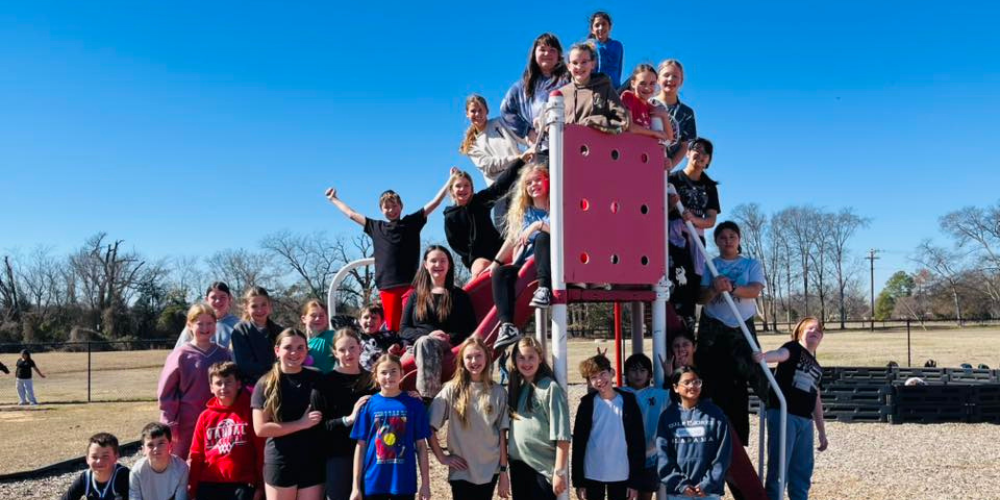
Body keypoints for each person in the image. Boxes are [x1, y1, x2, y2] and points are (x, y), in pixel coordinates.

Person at [325, 180, 450, 333]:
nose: (391, 210)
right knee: (393, 327)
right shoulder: (376, 227)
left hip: (410, 284)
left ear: (401, 206)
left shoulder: (411, 223)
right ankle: (395, 353)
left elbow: (435, 202)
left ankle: (412, 350)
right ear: (381, 209)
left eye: (394, 206)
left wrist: (450, 180)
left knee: (412, 321)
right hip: (387, 286)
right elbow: (351, 214)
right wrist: (334, 199)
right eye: (387, 207)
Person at [696, 221, 766, 447]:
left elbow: (755, 290)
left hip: (741, 323)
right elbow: (701, 298)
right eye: (723, 237)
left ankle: (771, 408)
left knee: (747, 370)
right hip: (714, 325)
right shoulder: (710, 264)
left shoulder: (751, 264)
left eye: (732, 236)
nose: (728, 240)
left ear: (739, 240)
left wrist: (732, 288)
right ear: (716, 241)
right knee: (711, 374)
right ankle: (706, 427)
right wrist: (715, 288)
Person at [753, 317, 828, 500]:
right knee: (780, 467)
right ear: (799, 332)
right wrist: (764, 357)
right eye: (810, 328)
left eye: (818, 331)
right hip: (784, 414)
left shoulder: (817, 367)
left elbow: (816, 398)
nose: (814, 332)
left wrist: (821, 431)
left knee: (802, 468)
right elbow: (780, 354)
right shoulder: (794, 349)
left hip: (805, 420)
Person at [428, 337, 510, 500]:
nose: (474, 361)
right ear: (461, 361)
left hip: (490, 469)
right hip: (462, 470)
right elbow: (429, 426)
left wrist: (503, 472)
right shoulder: (452, 390)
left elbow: (502, 436)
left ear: (487, 357)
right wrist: (442, 457)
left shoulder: (499, 392)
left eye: (478, 355)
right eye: (469, 357)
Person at [251, 329, 325, 500]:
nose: (294, 353)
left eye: (300, 348)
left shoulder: (317, 377)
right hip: (281, 462)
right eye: (288, 347)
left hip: (312, 460)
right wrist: (301, 423)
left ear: (307, 350)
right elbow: (261, 429)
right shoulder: (266, 383)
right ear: (277, 350)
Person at [488, 163, 553, 350]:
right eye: (529, 183)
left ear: (547, 181)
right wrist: (496, 262)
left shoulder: (555, 206)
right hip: (526, 264)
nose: (533, 185)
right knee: (501, 273)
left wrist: (537, 226)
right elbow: (511, 239)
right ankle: (507, 326)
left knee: (542, 237)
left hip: (548, 264)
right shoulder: (525, 211)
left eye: (538, 180)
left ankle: (544, 289)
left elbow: (560, 234)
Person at [349, 354, 432, 500]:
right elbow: (360, 446)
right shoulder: (368, 405)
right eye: (384, 372)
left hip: (403, 482)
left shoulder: (414, 404)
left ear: (402, 373)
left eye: (393, 371)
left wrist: (425, 483)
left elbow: (421, 446)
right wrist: (355, 487)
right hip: (374, 482)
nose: (389, 376)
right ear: (376, 376)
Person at [399, 245, 477, 398]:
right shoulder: (415, 295)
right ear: (426, 265)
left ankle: (428, 398)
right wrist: (429, 335)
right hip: (415, 346)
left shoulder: (459, 295)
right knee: (393, 369)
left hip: (447, 346)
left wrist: (448, 337)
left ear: (449, 264)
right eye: (433, 261)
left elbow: (470, 328)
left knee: (425, 343)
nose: (438, 265)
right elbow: (404, 329)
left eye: (443, 261)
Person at [157, 303, 233, 460]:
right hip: (186, 423)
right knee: (182, 466)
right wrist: (169, 423)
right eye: (200, 324)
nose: (205, 328)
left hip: (217, 421)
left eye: (210, 323)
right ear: (190, 325)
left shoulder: (223, 354)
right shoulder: (180, 355)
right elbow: (166, 392)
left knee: (215, 463)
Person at [310, 328, 376, 500]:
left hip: (372, 456)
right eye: (342, 350)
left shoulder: (374, 381)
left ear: (360, 348)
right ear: (334, 352)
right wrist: (349, 419)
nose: (348, 353)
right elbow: (318, 428)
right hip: (339, 456)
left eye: (352, 348)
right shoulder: (324, 384)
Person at [571, 354, 645, 500]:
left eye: (602, 374)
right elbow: (579, 444)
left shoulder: (628, 402)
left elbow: (638, 443)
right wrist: (579, 482)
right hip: (592, 473)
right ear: (589, 382)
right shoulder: (586, 405)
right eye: (593, 377)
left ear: (612, 373)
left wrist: (635, 482)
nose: (599, 380)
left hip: (621, 473)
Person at [187, 361, 264, 500]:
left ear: (238, 384)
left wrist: (260, 486)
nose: (223, 387)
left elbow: (260, 451)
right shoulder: (205, 416)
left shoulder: (250, 413)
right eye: (218, 383)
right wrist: (192, 489)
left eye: (228, 382)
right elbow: (196, 455)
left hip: (242, 483)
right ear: (211, 387)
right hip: (208, 482)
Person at [506, 336, 570, 500]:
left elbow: (562, 436)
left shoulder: (550, 388)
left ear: (540, 358)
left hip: (542, 469)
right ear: (514, 360)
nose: (526, 362)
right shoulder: (517, 389)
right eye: (521, 357)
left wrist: (559, 472)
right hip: (519, 466)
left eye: (531, 357)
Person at [656, 366, 732, 500]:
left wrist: (707, 484)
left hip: (708, 492)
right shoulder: (667, 417)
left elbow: (723, 455)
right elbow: (663, 457)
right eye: (687, 382)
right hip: (678, 493)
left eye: (696, 382)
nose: (692, 386)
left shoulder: (716, 414)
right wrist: (681, 485)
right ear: (675, 387)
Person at [459, 94, 533, 228]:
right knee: (505, 232)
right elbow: (489, 166)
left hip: (521, 180)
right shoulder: (470, 145)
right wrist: (518, 158)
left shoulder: (501, 123)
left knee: (529, 225)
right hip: (500, 192)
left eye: (480, 110)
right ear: (467, 114)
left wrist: (532, 143)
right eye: (473, 111)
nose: (477, 114)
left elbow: (524, 137)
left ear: (487, 110)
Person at [443, 160, 527, 278]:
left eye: (466, 185)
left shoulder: (480, 201)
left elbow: (499, 186)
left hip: (497, 247)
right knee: (481, 269)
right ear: (451, 190)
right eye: (458, 186)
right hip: (477, 256)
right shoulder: (450, 217)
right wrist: (472, 253)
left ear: (472, 189)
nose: (463, 189)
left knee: (518, 254)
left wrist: (521, 161)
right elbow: (456, 244)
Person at [668, 137, 719, 325]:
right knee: (677, 282)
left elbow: (711, 220)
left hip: (696, 242)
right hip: (674, 241)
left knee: (693, 284)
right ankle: (673, 322)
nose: (701, 154)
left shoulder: (709, 187)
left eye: (706, 153)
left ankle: (689, 326)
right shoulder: (671, 180)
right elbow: (657, 212)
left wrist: (694, 219)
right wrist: (670, 206)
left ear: (709, 161)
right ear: (687, 153)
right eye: (696, 149)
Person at [500, 33, 571, 145]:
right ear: (534, 54)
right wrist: (527, 131)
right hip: (541, 147)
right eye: (542, 49)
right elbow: (506, 109)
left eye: (552, 50)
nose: (547, 53)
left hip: (569, 142)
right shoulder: (522, 86)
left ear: (559, 55)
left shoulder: (569, 79)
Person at [622, 353, 672, 500]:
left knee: (645, 495)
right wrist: (602, 368)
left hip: (650, 456)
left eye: (642, 370)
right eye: (633, 370)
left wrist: (669, 375)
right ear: (626, 374)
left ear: (649, 374)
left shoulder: (658, 394)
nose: (638, 374)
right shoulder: (620, 393)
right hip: (625, 456)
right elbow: (595, 397)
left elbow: (675, 394)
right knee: (625, 494)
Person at [559, 42, 629, 134]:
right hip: (567, 146)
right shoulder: (561, 94)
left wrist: (595, 122)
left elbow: (623, 121)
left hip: (596, 146)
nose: (579, 66)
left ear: (592, 64)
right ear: (569, 67)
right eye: (575, 63)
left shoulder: (604, 88)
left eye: (584, 62)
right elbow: (548, 124)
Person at [230, 287, 284, 387]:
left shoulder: (280, 331)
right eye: (254, 306)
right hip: (252, 388)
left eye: (263, 305)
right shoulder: (240, 331)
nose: (259, 310)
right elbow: (245, 365)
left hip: (280, 384)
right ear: (246, 307)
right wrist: (273, 372)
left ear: (269, 305)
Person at [651, 59, 697, 170]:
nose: (670, 79)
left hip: (664, 169)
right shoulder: (647, 104)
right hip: (643, 160)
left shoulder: (687, 113)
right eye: (666, 75)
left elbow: (684, 146)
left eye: (675, 76)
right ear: (657, 78)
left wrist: (672, 163)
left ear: (681, 81)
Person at [129, 422, 190, 500]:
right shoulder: (136, 472)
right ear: (143, 450)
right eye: (150, 445)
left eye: (161, 443)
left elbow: (181, 497)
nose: (156, 449)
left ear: (170, 446)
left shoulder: (181, 468)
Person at [62, 432, 130, 500]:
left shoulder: (123, 476)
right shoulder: (85, 478)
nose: (99, 461)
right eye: (94, 457)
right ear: (87, 459)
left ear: (116, 457)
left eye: (105, 456)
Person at [173, 282, 240, 350]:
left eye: (222, 297)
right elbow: (178, 353)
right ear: (207, 299)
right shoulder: (195, 324)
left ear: (229, 298)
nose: (218, 301)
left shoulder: (239, 325)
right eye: (213, 297)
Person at [620, 64, 674, 147]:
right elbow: (630, 127)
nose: (647, 88)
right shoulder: (628, 96)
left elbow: (669, 139)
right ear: (633, 83)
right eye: (643, 83)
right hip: (626, 147)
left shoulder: (650, 107)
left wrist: (664, 116)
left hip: (642, 151)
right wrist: (655, 133)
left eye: (652, 83)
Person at [356, 305, 404, 372]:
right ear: (359, 321)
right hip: (364, 376)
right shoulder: (356, 340)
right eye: (366, 317)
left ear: (382, 321)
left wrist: (396, 346)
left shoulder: (389, 337)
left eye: (374, 318)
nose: (369, 320)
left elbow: (402, 341)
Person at [587, 11, 624, 90]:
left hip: (614, 88)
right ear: (592, 29)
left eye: (604, 24)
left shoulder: (617, 45)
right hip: (595, 88)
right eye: (597, 25)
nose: (601, 28)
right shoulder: (589, 46)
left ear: (610, 27)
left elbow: (619, 69)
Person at [303, 300, 336, 374]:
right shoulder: (298, 342)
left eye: (321, 315)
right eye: (313, 315)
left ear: (327, 319)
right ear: (304, 319)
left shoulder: (332, 337)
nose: (318, 318)